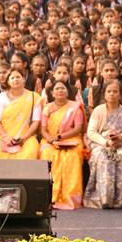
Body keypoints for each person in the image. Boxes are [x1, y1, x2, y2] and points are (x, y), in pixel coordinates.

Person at [83, 80, 122, 209]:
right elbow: (91, 132)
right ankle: (104, 199)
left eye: (115, 91)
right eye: (109, 91)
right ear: (104, 94)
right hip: (100, 144)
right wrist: (106, 142)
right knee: (104, 158)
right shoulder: (98, 111)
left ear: (120, 94)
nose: (112, 94)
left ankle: (119, 199)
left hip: (120, 144)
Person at [40, 80, 85, 210]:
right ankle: (50, 197)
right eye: (57, 88)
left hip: (71, 139)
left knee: (72, 157)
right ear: (52, 93)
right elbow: (43, 130)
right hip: (50, 140)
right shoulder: (47, 108)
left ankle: (70, 197)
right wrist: (51, 140)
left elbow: (78, 128)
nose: (60, 90)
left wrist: (60, 137)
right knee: (48, 154)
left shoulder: (75, 107)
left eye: (63, 88)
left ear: (67, 91)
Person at [0, 69, 41, 159]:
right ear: (8, 82)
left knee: (30, 153)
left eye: (18, 77)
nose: (15, 79)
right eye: (12, 78)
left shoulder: (34, 97)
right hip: (4, 135)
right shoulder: (1, 97)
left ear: (24, 79)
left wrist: (24, 137)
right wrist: (5, 136)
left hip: (27, 136)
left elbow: (36, 121)